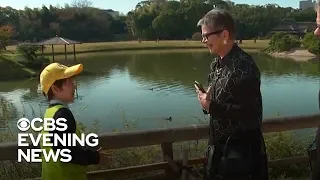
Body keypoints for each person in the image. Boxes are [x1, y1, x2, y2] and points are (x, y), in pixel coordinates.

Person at [194, 9, 269, 180]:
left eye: (206, 36)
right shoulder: (215, 65)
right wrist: (207, 101)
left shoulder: (244, 66)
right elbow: (220, 104)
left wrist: (210, 105)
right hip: (218, 148)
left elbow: (248, 112)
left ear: (224, 34)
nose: (203, 41)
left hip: (241, 154)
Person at [39, 62, 109, 180]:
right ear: (55, 88)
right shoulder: (62, 114)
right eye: (68, 82)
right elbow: (66, 151)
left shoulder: (50, 112)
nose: (74, 86)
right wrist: (95, 157)